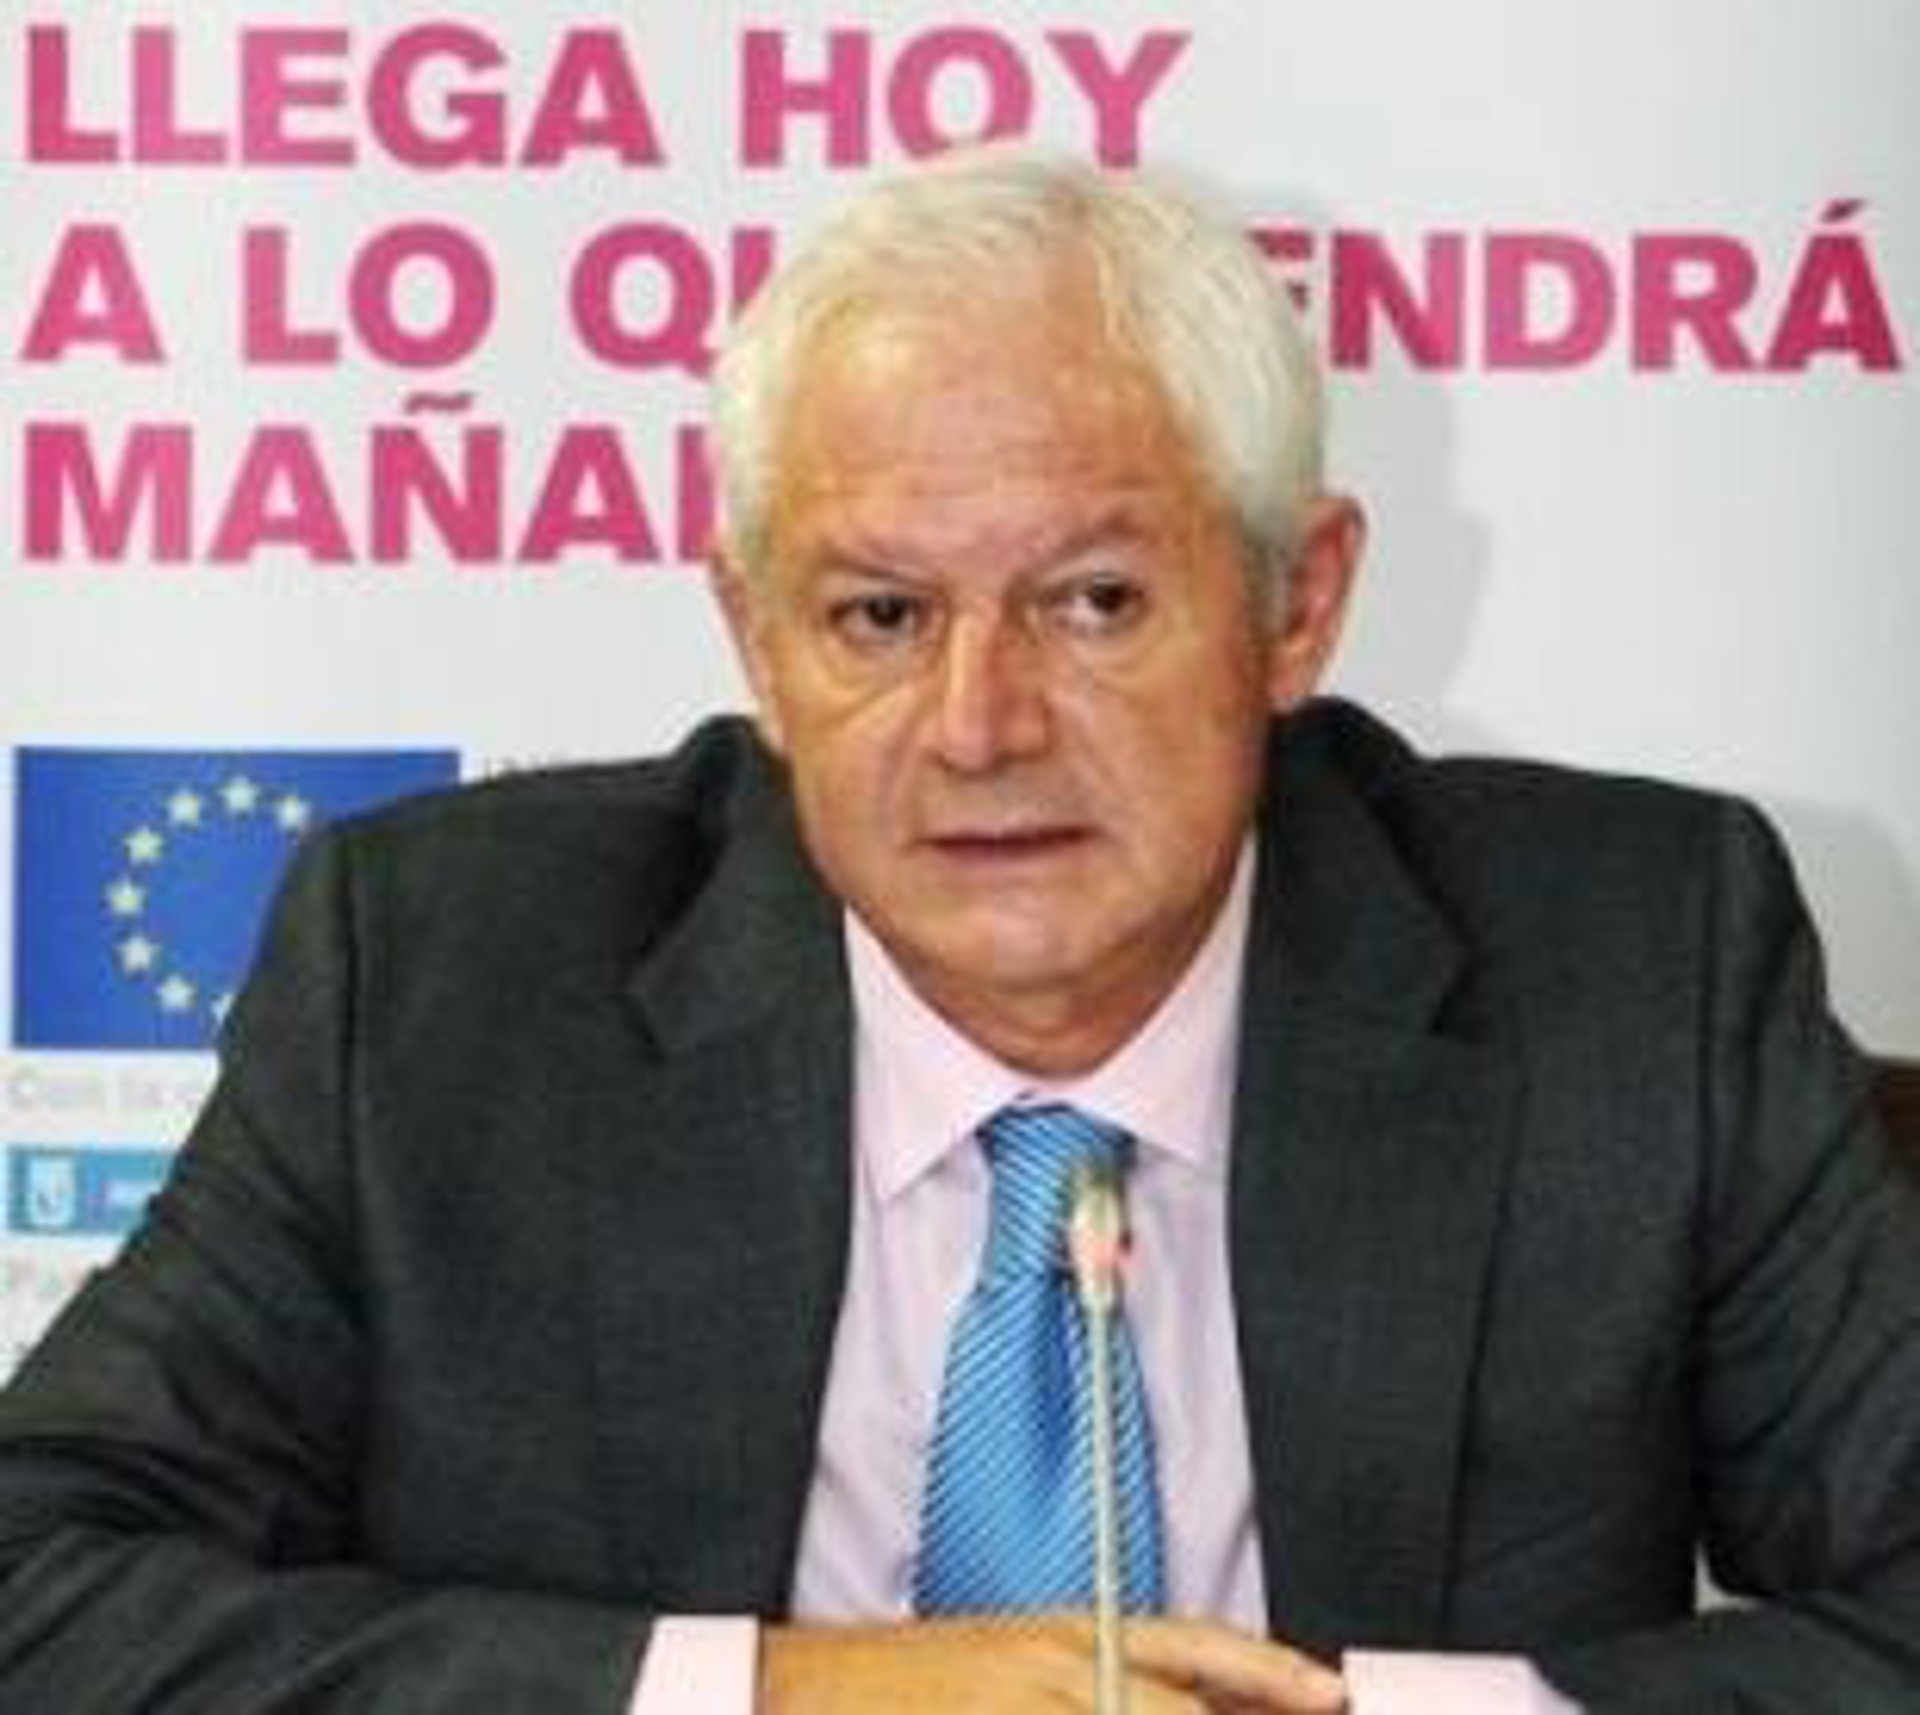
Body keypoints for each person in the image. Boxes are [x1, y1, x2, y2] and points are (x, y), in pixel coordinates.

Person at [1, 149, 1917, 1715]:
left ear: (1298, 605)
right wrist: (776, 1699)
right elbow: (40, 1582)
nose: (981, 727)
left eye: (1093, 602)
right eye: (880, 618)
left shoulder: (1634, 970)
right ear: (760, 644)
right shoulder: (442, 980)